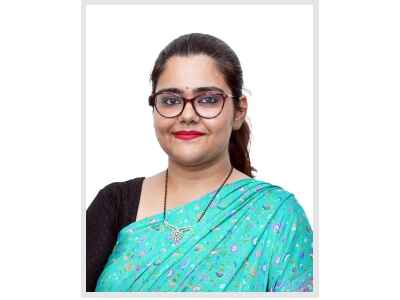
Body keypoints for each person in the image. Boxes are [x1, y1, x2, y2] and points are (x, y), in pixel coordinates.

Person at [86, 32, 313, 292]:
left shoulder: (278, 216)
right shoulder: (114, 203)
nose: (188, 115)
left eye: (208, 100)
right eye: (171, 101)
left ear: (239, 111)